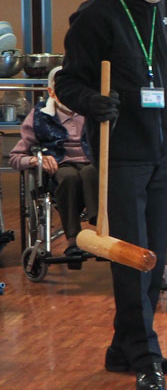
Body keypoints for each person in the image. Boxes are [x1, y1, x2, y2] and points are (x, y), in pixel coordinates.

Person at [55, 0, 167, 390]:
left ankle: (125, 348)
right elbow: (67, 81)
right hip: (120, 155)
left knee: (154, 257)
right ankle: (144, 353)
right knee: (132, 257)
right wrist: (92, 102)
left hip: (160, 154)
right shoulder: (96, 15)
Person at [9, 66, 98, 256]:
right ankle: (73, 240)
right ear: (51, 91)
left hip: (91, 163)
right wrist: (35, 160)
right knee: (68, 177)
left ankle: (99, 225)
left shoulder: (92, 113)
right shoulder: (39, 116)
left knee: (92, 172)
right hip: (60, 165)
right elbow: (16, 157)